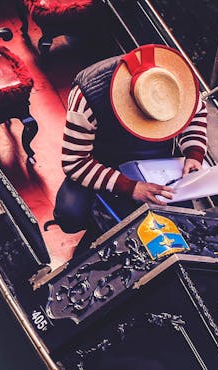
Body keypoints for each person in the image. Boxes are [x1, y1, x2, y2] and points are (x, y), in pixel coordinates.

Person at [47, 44, 208, 239]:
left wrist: (194, 154)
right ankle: (100, 220)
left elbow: (196, 113)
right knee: (70, 215)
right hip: (103, 157)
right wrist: (129, 187)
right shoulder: (87, 96)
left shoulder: (174, 83)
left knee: (179, 221)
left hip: (154, 160)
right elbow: (74, 162)